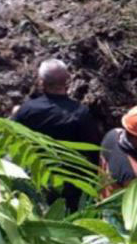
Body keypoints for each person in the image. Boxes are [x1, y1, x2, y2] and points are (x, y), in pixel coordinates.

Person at [13, 59, 101, 211]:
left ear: (41, 82)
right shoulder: (80, 113)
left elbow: (12, 140)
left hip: (36, 179)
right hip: (72, 184)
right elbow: (94, 151)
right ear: (68, 81)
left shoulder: (27, 110)